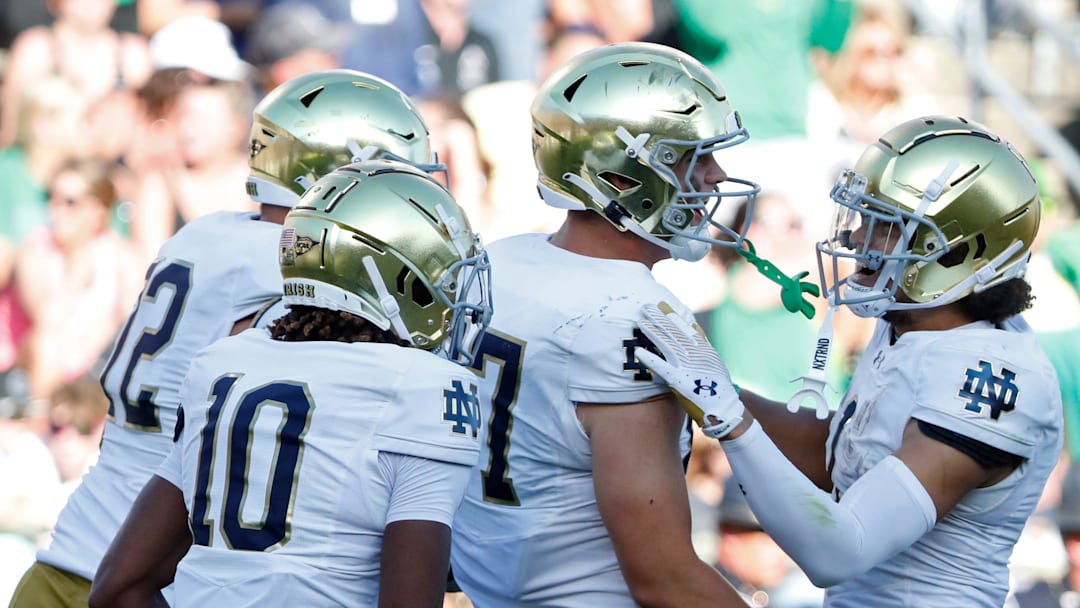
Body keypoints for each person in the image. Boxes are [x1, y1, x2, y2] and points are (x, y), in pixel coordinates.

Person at [7, 68, 443, 608]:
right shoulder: (288, 274)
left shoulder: (206, 232)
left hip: (69, 561)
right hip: (147, 579)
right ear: (338, 177)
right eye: (396, 178)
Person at [636, 115, 1065, 606]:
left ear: (954, 251)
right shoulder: (913, 326)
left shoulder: (995, 374)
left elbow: (840, 550)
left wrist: (728, 419)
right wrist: (714, 390)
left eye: (884, 225)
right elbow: (839, 456)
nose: (856, 238)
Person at [88, 159, 491, 607]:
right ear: (395, 278)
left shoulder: (222, 364)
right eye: (442, 276)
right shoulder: (422, 387)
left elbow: (117, 587)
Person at [449, 41, 759, 607]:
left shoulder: (504, 259)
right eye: (693, 157)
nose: (716, 178)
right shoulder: (628, 315)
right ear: (622, 174)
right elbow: (662, 575)